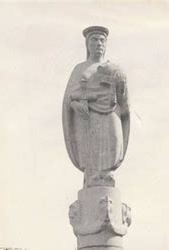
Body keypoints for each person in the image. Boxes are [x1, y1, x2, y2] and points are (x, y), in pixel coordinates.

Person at [62, 25, 130, 186]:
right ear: (87, 44)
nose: (98, 43)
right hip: (87, 117)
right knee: (90, 148)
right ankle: (91, 175)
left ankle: (107, 174)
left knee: (111, 142)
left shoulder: (114, 69)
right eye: (94, 40)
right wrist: (74, 104)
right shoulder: (80, 69)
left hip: (111, 112)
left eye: (101, 40)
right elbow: (69, 97)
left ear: (105, 45)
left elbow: (124, 102)